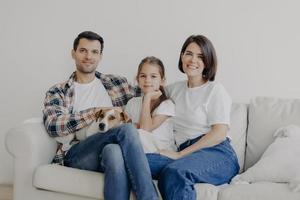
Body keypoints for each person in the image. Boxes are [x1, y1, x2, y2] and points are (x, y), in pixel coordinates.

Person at [43, 31, 158, 200]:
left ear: (100, 56)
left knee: (113, 151)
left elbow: (151, 86)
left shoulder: (117, 83)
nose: (88, 56)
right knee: (125, 130)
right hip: (78, 153)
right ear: (73, 53)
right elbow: (54, 125)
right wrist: (95, 112)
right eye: (83, 50)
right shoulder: (59, 91)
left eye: (94, 52)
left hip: (109, 152)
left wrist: (154, 95)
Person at [146, 35, 240, 200]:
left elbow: (219, 133)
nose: (193, 60)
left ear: (208, 61)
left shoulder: (215, 90)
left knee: (175, 173)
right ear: (182, 56)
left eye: (200, 56)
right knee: (135, 161)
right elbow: (147, 86)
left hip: (217, 153)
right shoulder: (174, 90)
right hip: (185, 155)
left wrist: (180, 155)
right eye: (189, 53)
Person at [125, 56, 176, 153]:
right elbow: (126, 130)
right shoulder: (132, 103)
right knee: (111, 149)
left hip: (160, 154)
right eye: (143, 76)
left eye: (153, 76)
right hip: (137, 151)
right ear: (137, 79)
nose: (147, 80)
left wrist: (147, 98)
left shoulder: (167, 105)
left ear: (162, 80)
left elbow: (145, 129)